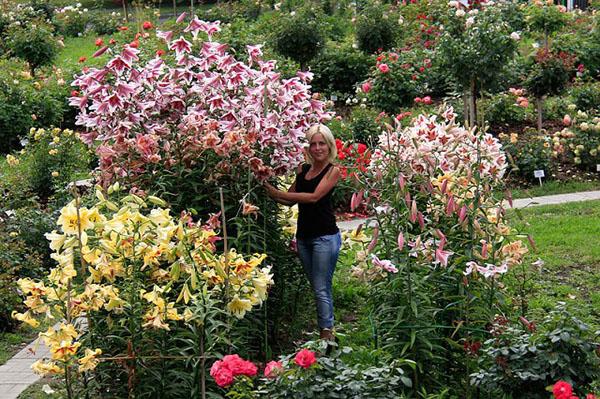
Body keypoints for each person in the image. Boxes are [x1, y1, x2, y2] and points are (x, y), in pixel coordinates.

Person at [264, 124, 341, 341]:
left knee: (321, 287)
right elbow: (287, 199)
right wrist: (265, 186)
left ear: (329, 145)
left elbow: (314, 197)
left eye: (321, 143)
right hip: (304, 236)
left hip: (325, 236)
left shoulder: (332, 171)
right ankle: (326, 332)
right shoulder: (303, 170)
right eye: (313, 144)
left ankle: (327, 335)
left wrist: (277, 192)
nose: (317, 148)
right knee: (317, 285)